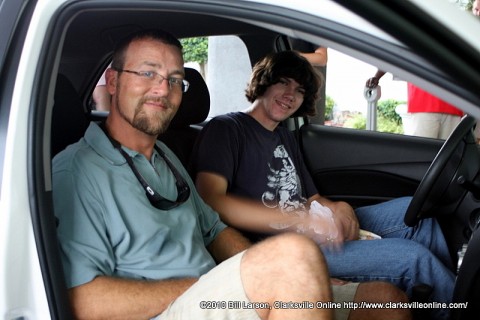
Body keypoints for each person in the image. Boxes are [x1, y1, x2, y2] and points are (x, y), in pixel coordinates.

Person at [53, 29, 340, 320]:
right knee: (294, 255)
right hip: (169, 309)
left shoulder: (166, 157)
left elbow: (215, 230)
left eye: (175, 80)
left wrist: (280, 279)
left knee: (377, 296)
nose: (163, 89)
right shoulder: (75, 172)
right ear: (113, 82)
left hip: (210, 296)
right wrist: (210, 285)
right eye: (148, 73)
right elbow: (83, 300)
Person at [191, 50, 455, 319]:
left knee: (416, 213)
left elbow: (313, 197)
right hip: (285, 247)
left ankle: (442, 299)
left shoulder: (284, 136)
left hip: (315, 228)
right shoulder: (227, 129)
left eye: (299, 90)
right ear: (263, 81)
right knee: (413, 259)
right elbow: (211, 201)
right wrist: (299, 222)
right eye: (283, 82)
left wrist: (339, 207)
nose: (290, 95)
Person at [366, 70, 464, 139]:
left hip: (452, 104)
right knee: (422, 154)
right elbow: (394, 52)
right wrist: (377, 76)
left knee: (450, 158)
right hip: (424, 102)